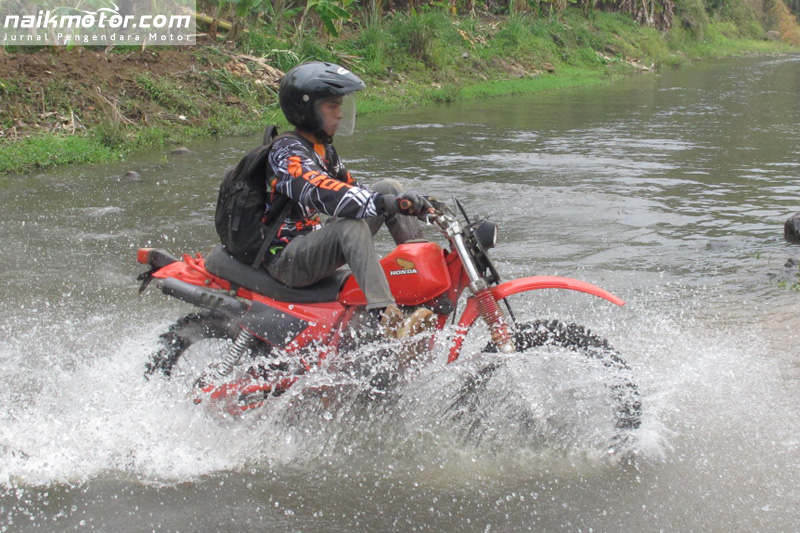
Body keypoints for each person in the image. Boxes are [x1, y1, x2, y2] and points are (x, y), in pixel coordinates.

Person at [263, 61, 434, 338]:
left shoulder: (323, 151)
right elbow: (323, 191)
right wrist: (382, 203)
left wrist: (413, 203)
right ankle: (388, 318)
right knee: (351, 225)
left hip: (312, 245)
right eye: (332, 106)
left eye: (341, 106)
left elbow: (358, 191)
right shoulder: (286, 152)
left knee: (388, 188)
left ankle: (422, 277)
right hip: (286, 260)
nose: (340, 115)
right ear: (308, 109)